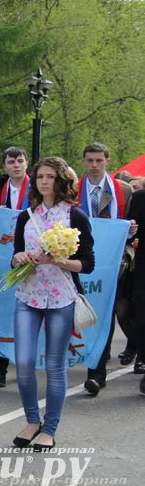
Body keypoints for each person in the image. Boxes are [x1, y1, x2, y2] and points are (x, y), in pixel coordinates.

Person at [10, 157, 94, 451]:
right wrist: (19, 258)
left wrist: (58, 260)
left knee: (55, 366)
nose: (43, 181)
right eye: (40, 177)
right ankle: (32, 420)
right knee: (23, 362)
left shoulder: (76, 217)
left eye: (49, 177)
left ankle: (50, 428)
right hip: (28, 295)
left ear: (61, 181)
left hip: (61, 297)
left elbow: (88, 264)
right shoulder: (26, 216)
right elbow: (15, 254)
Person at [76, 142, 135, 396]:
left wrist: (132, 229)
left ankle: (97, 372)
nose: (94, 165)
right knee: (87, 311)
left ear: (107, 162)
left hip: (114, 259)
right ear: (83, 161)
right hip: (82, 258)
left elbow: (133, 222)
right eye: (90, 160)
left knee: (107, 309)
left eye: (99, 160)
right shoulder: (73, 189)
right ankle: (96, 360)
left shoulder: (123, 190)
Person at [0, 146, 32, 387]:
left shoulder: (36, 188)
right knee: (0, 310)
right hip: (2, 254)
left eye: (20, 161)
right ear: (5, 165)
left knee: (28, 312)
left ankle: (26, 365)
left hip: (29, 254)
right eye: (11, 162)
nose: (16, 165)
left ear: (26, 162)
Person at [125, 187, 145, 393]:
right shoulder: (140, 197)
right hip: (143, 269)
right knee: (141, 319)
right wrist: (130, 230)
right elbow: (130, 232)